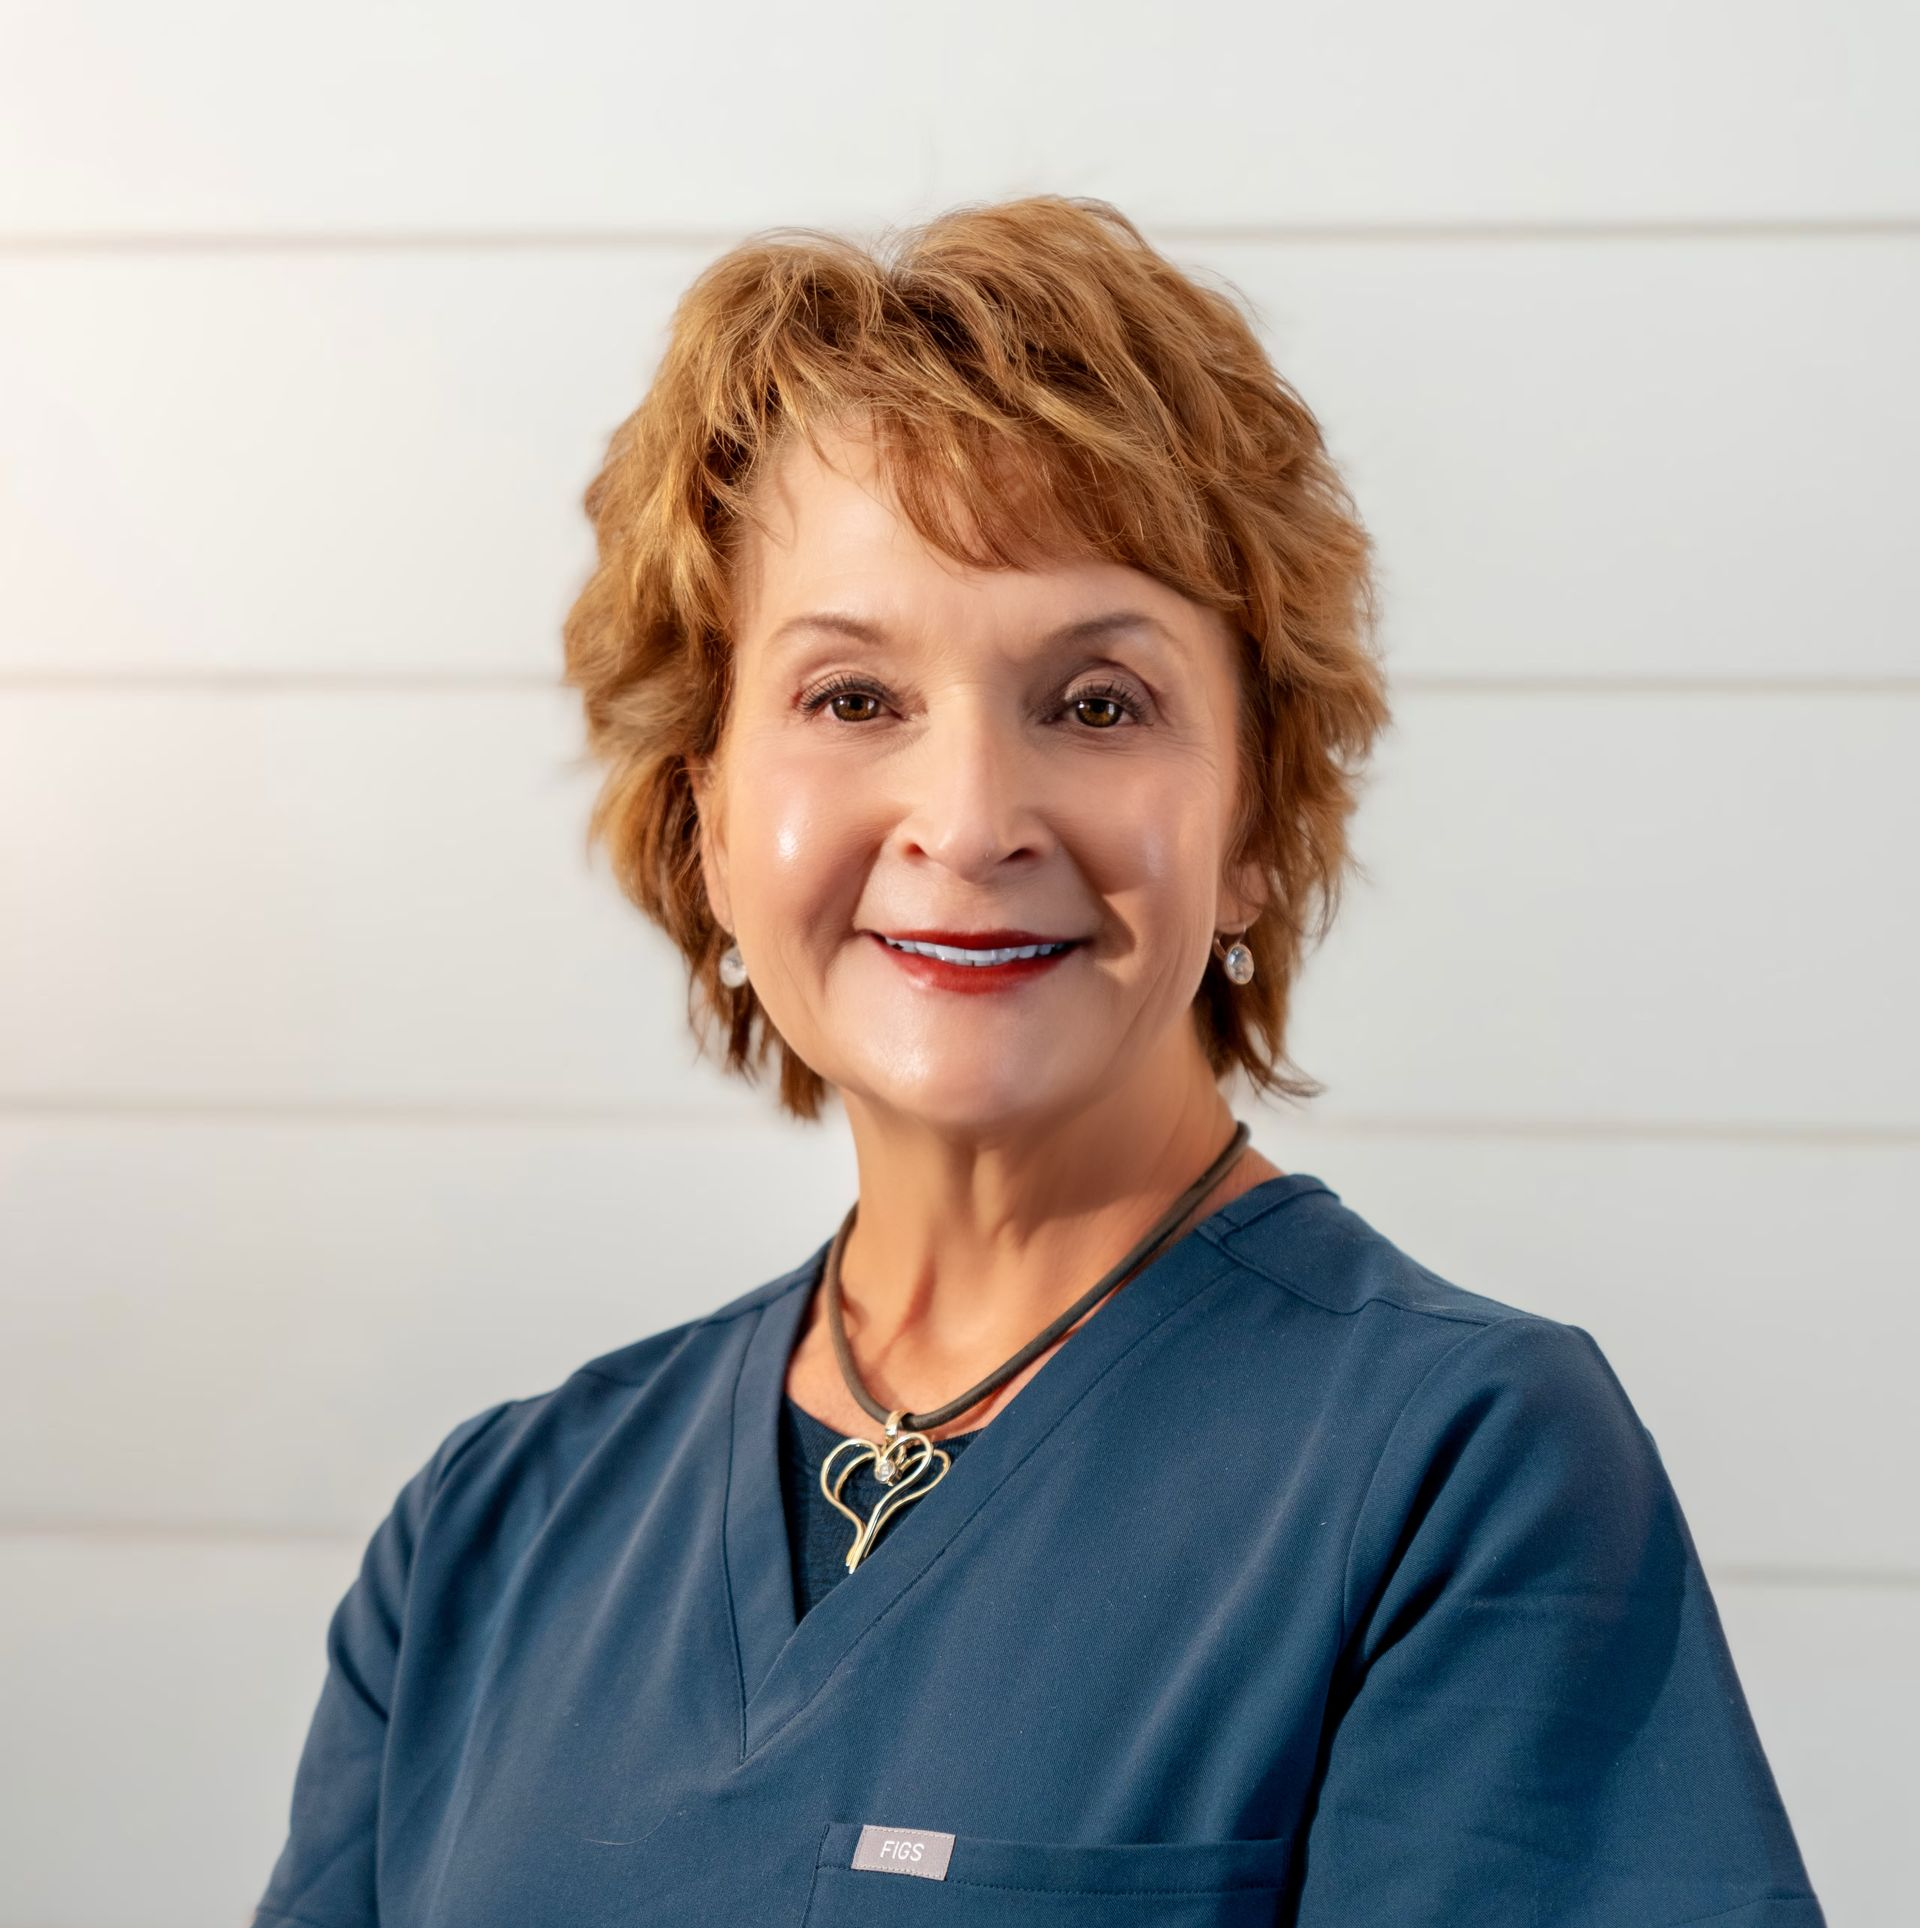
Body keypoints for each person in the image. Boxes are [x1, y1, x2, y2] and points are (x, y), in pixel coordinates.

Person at [253, 195, 1826, 1927]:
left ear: (1254, 827)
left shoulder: (1459, 1471)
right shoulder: (488, 1535)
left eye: (1097, 704)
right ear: (705, 817)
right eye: (852, 699)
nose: (974, 821)